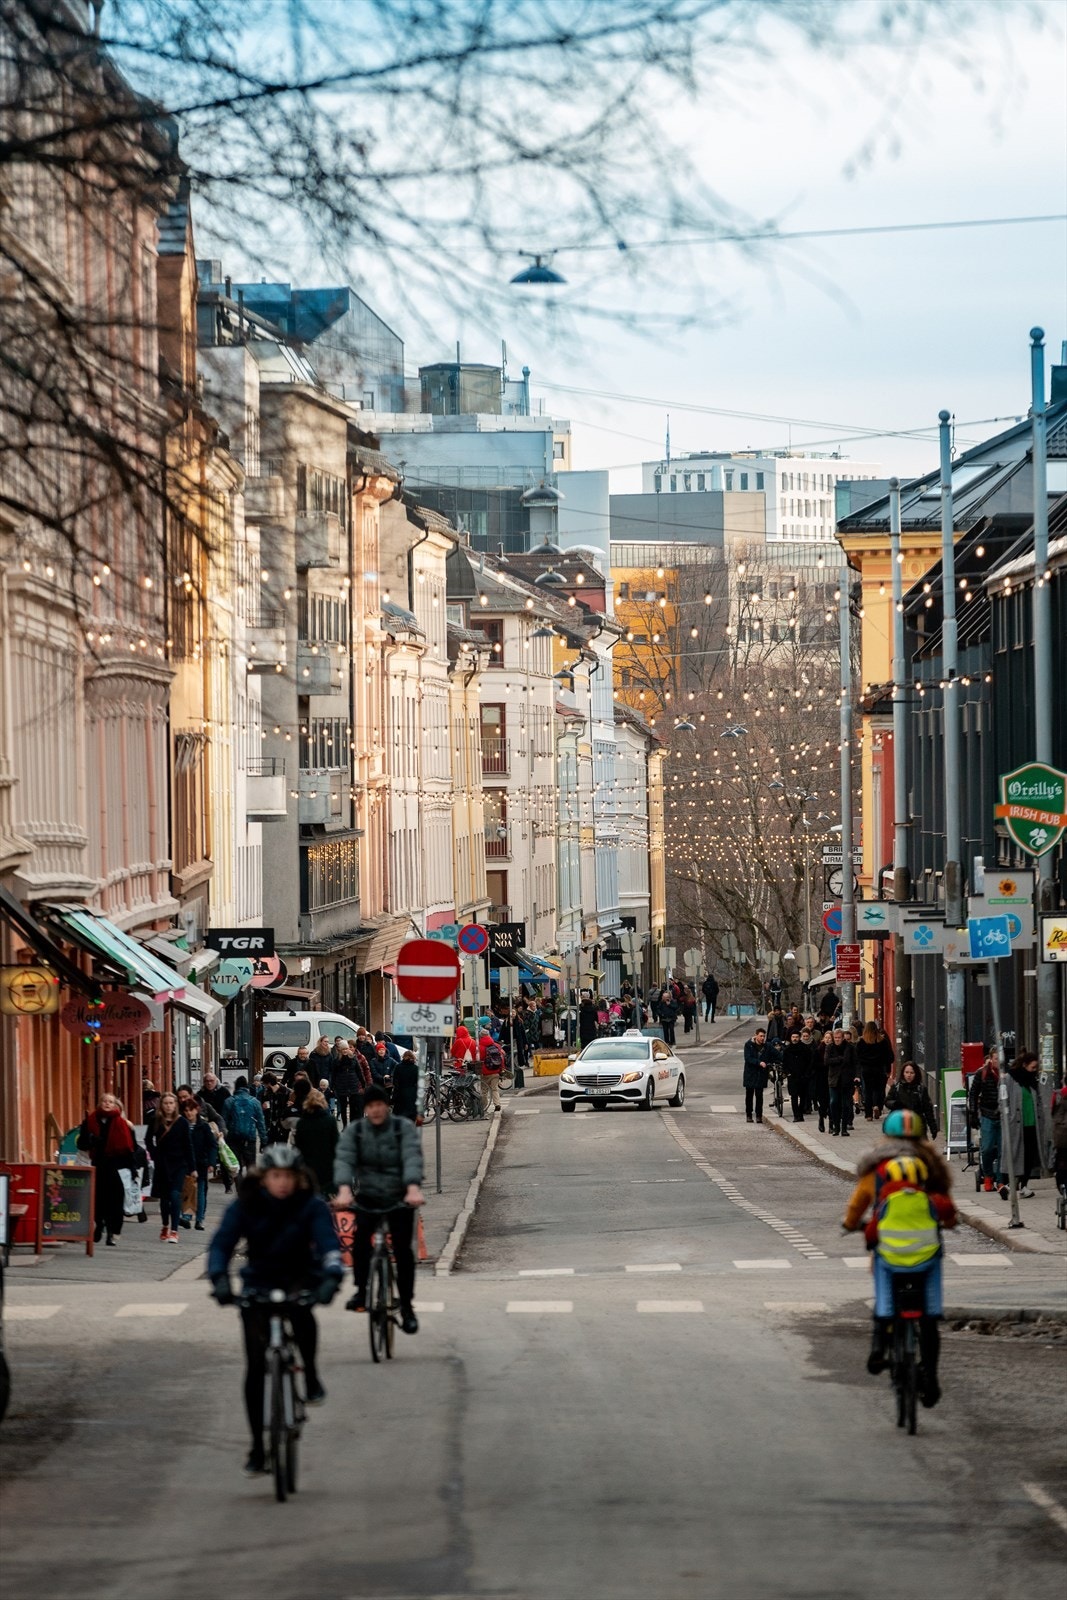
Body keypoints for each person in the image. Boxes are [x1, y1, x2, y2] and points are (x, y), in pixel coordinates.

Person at [208, 1145, 343, 1476]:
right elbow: (221, 1244)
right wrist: (220, 1279)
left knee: (303, 1312)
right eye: (276, 1176)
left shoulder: (312, 1205)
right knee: (255, 1367)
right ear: (264, 1178)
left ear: (299, 1178)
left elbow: (329, 1245)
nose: (282, 1183)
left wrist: (331, 1279)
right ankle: (258, 1447)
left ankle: (310, 1375)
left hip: (299, 1277)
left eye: (288, 1177)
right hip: (260, 1281)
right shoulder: (247, 1203)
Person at [842, 1108, 957, 1408]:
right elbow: (946, 1206)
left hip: (889, 1250)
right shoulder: (930, 1167)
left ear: (886, 1136)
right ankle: (930, 1376)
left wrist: (851, 1224)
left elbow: (857, 1204)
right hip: (927, 1251)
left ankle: (879, 1346)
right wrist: (947, 1222)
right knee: (929, 1317)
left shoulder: (877, 1168)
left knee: (884, 1291)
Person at [332, 1085, 425, 1333]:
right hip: (369, 1196)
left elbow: (412, 1157)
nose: (375, 1110)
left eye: (379, 1105)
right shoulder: (356, 1131)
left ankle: (407, 1306)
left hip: (400, 1196)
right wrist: (344, 1189)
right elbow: (344, 1159)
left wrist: (413, 1188)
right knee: (361, 1243)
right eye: (371, 1106)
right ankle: (361, 1291)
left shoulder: (401, 1128)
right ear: (366, 1108)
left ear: (387, 1106)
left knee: (403, 1251)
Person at [77, 1092, 141, 1246]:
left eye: (110, 1102)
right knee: (98, 1199)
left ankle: (113, 1232)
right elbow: (81, 1144)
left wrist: (133, 1169)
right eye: (104, 1101)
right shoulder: (90, 1121)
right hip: (99, 1164)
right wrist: (91, 1140)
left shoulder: (123, 1123)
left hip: (118, 1166)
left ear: (115, 1105)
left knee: (115, 1201)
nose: (107, 1104)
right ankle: (99, 1225)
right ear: (100, 1103)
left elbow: (132, 1147)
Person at [146, 1091, 196, 1242]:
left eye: (171, 1103)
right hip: (162, 1163)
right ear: (161, 1105)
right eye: (166, 1103)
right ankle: (165, 1225)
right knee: (164, 1198)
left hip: (179, 1163)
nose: (168, 1106)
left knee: (175, 1195)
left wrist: (193, 1168)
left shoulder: (182, 1122)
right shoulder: (156, 1120)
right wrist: (154, 1153)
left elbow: (188, 1145)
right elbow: (148, 1139)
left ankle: (174, 1231)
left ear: (175, 1105)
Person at [1004, 1053, 1053, 1199]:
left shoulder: (1032, 1080)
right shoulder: (1010, 1078)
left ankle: (1024, 1185)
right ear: (1024, 1065)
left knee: (1029, 1156)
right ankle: (1011, 1185)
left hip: (1033, 1124)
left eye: (1036, 1067)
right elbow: (1003, 1100)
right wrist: (1007, 1118)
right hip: (1016, 1125)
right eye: (1033, 1067)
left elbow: (1038, 1099)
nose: (1034, 1070)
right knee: (1016, 1154)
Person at [968, 1051, 1005, 1193]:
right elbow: (973, 1093)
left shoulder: (1005, 1074)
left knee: (1002, 1150)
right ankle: (988, 1175)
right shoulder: (982, 1073)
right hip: (987, 1114)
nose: (998, 1061)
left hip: (1002, 1116)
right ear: (990, 1059)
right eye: (996, 1058)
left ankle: (1000, 1180)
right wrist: (973, 1113)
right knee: (987, 1148)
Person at [294, 1088, 340, 1196]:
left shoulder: (301, 1123)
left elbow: (298, 1147)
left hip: (308, 1166)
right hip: (327, 1165)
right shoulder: (330, 1120)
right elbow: (336, 1144)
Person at [182, 1096, 219, 1230]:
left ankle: (199, 1219)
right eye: (186, 1110)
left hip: (201, 1163)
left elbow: (212, 1145)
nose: (189, 1113)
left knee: (201, 1192)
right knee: (188, 1189)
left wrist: (211, 1162)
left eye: (191, 1110)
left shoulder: (203, 1126)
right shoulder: (182, 1125)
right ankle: (187, 1216)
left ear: (196, 1110)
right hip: (186, 1163)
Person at [222, 1076, 267, 1173]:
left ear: (236, 1087)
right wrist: (263, 1140)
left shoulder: (229, 1101)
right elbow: (261, 1122)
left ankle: (238, 1183)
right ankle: (250, 1182)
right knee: (251, 1167)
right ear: (247, 1087)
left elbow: (223, 1122)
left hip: (233, 1138)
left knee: (236, 1168)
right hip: (250, 1139)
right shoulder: (255, 1102)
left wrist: (224, 1139)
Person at [886, 1060, 937, 1140]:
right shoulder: (897, 1087)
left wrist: (933, 1127)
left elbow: (928, 1109)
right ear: (903, 1073)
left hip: (918, 1125)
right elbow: (887, 1101)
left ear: (916, 1074)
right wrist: (895, 1103)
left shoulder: (921, 1089)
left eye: (911, 1073)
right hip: (901, 1124)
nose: (909, 1075)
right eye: (906, 1072)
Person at [855, 1021, 894, 1121]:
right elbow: (889, 1057)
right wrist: (888, 1069)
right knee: (878, 1089)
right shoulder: (882, 1041)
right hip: (879, 1068)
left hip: (866, 1069)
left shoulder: (861, 1041)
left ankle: (868, 1114)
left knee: (867, 1090)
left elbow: (857, 1057)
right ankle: (877, 1106)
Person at [824, 1028, 857, 1138]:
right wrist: (839, 1059)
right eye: (835, 1038)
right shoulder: (830, 1047)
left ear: (843, 1038)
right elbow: (826, 1061)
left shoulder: (850, 1048)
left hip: (846, 1080)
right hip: (834, 1080)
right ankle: (836, 1127)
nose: (837, 1040)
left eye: (839, 1038)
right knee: (834, 1102)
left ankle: (844, 1128)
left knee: (846, 1104)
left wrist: (856, 1076)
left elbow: (855, 1062)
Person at [332, 1043, 369, 1128]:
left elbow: (359, 1071)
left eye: (346, 1049)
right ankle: (345, 1126)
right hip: (341, 1085)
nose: (345, 1051)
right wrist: (333, 1086)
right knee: (343, 1107)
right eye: (343, 1049)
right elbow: (334, 1074)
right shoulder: (336, 1060)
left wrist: (363, 1083)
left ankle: (352, 1125)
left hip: (353, 1084)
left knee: (353, 1107)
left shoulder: (353, 1058)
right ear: (340, 1050)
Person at [782, 1030, 812, 1123]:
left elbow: (810, 1062)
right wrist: (788, 1073)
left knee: (803, 1096)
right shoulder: (787, 1050)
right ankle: (796, 1115)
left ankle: (800, 1113)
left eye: (796, 1037)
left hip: (803, 1076)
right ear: (791, 1038)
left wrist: (807, 1074)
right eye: (793, 1037)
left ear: (800, 1038)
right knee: (794, 1096)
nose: (795, 1039)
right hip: (792, 1076)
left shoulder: (805, 1049)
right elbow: (784, 1063)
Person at [742, 1027, 771, 1124]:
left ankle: (759, 1115)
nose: (762, 1038)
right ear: (756, 1035)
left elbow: (775, 1054)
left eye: (764, 1036)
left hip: (761, 1074)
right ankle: (749, 1115)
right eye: (761, 1036)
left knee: (759, 1096)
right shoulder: (749, 1045)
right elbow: (748, 1058)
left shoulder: (766, 1046)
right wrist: (759, 1062)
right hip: (750, 1073)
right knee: (749, 1095)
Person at [478, 1028, 506, 1113]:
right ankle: (497, 1104)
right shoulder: (496, 1045)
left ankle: (483, 1108)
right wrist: (502, 1069)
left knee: (484, 1090)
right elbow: (501, 1058)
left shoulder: (479, 1047)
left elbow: (478, 1059)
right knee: (495, 1089)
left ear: (481, 1036)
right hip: (495, 1070)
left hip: (484, 1071)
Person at [391, 1050, 420, 1122]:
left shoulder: (398, 1067)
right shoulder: (415, 1068)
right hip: (412, 1094)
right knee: (411, 1117)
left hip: (400, 1093)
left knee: (399, 1116)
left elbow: (395, 1081)